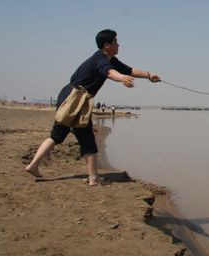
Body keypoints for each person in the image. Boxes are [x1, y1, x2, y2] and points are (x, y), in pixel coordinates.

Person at [25, 29, 160, 186]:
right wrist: (121, 78)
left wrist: (149, 75)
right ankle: (93, 178)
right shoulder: (100, 60)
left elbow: (130, 70)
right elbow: (110, 73)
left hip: (72, 96)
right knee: (85, 138)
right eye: (116, 42)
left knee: (58, 135)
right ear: (107, 45)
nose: (118, 44)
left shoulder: (110, 59)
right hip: (74, 98)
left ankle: (33, 165)